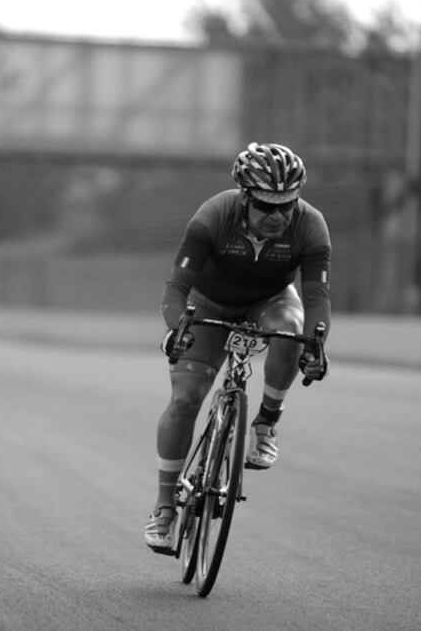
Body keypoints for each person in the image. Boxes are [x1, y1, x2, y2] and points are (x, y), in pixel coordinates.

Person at [144, 142, 332, 554]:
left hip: (271, 301)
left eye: (286, 205)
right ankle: (165, 507)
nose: (277, 216)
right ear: (245, 197)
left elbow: (317, 299)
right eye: (265, 206)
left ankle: (265, 424)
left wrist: (316, 345)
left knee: (292, 330)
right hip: (208, 303)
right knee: (185, 400)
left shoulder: (311, 225)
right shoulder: (214, 215)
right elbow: (176, 287)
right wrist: (177, 329)